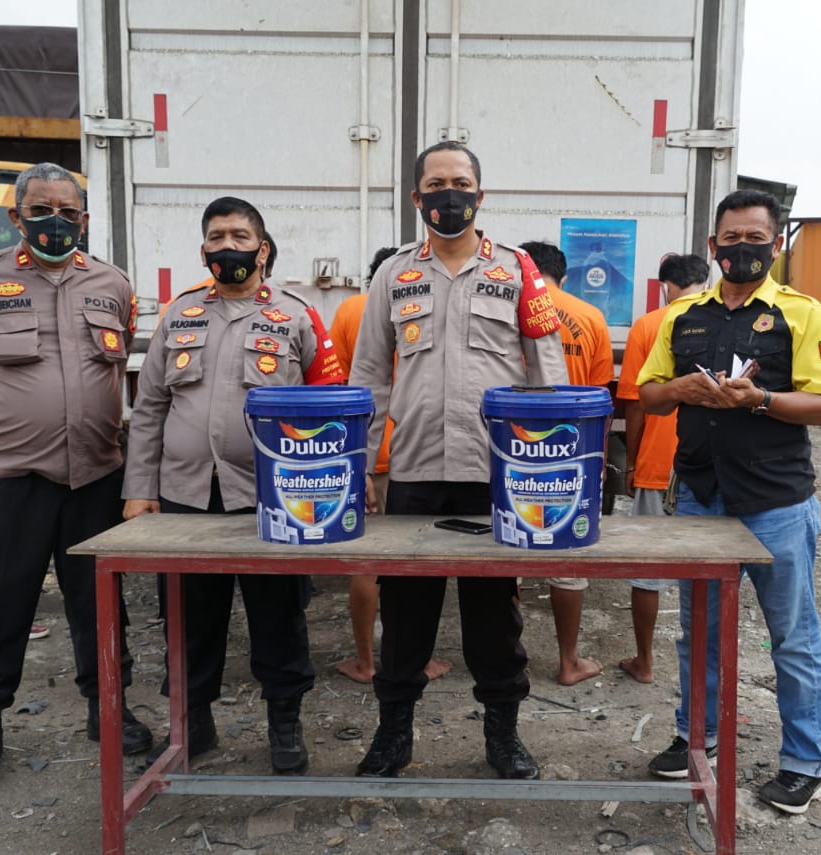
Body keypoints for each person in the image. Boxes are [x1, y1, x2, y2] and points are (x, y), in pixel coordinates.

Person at [0, 162, 152, 793]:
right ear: (16, 217)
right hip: (7, 478)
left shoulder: (112, 283)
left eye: (68, 210)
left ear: (85, 217)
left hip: (95, 477)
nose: (56, 220)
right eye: (42, 208)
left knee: (100, 605)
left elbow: (115, 367)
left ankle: (107, 708)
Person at [350, 141, 567, 780]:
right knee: (407, 617)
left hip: (494, 474)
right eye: (437, 183)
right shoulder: (393, 274)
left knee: (493, 619)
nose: (451, 194)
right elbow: (369, 376)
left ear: (481, 194)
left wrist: (546, 468)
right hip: (414, 472)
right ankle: (393, 737)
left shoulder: (521, 270)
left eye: (461, 182)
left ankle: (503, 737)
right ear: (417, 198)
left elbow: (545, 375)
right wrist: (359, 466)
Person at [638, 189, 821, 814]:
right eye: (731, 240)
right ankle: (694, 736)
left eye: (755, 238)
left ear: (775, 245)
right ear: (713, 247)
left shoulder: (801, 313)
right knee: (697, 633)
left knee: (792, 636)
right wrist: (676, 388)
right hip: (702, 497)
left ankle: (805, 762)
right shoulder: (683, 316)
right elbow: (649, 395)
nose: (743, 249)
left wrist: (758, 400)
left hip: (776, 501)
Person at [124, 196, 341, 773]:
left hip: (274, 495)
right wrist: (138, 488)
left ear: (262, 248)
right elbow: (148, 408)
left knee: (278, 615)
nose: (228, 246)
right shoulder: (180, 314)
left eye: (240, 236)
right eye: (216, 237)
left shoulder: (297, 315)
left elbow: (330, 406)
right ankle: (193, 723)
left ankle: (285, 724)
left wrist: (331, 489)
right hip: (185, 494)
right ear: (203, 250)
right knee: (189, 615)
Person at [330, 247, 455, 685]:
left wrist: (351, 456)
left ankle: (367, 660)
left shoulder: (348, 310)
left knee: (373, 563)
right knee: (420, 568)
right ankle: (412, 659)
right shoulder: (427, 300)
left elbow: (346, 381)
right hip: (406, 451)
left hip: (369, 450)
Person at [517, 240, 615, 686]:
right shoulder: (591, 317)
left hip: (513, 450)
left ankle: (510, 654)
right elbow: (601, 402)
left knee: (508, 555)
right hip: (573, 451)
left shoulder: (508, 308)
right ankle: (568, 660)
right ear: (565, 275)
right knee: (568, 559)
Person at [613, 253, 710, 684]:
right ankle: (702, 664)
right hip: (707, 464)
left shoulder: (649, 325)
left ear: (666, 285)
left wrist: (633, 461)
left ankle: (645, 662)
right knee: (704, 569)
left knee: (648, 572)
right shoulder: (722, 319)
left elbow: (634, 404)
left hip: (657, 460)